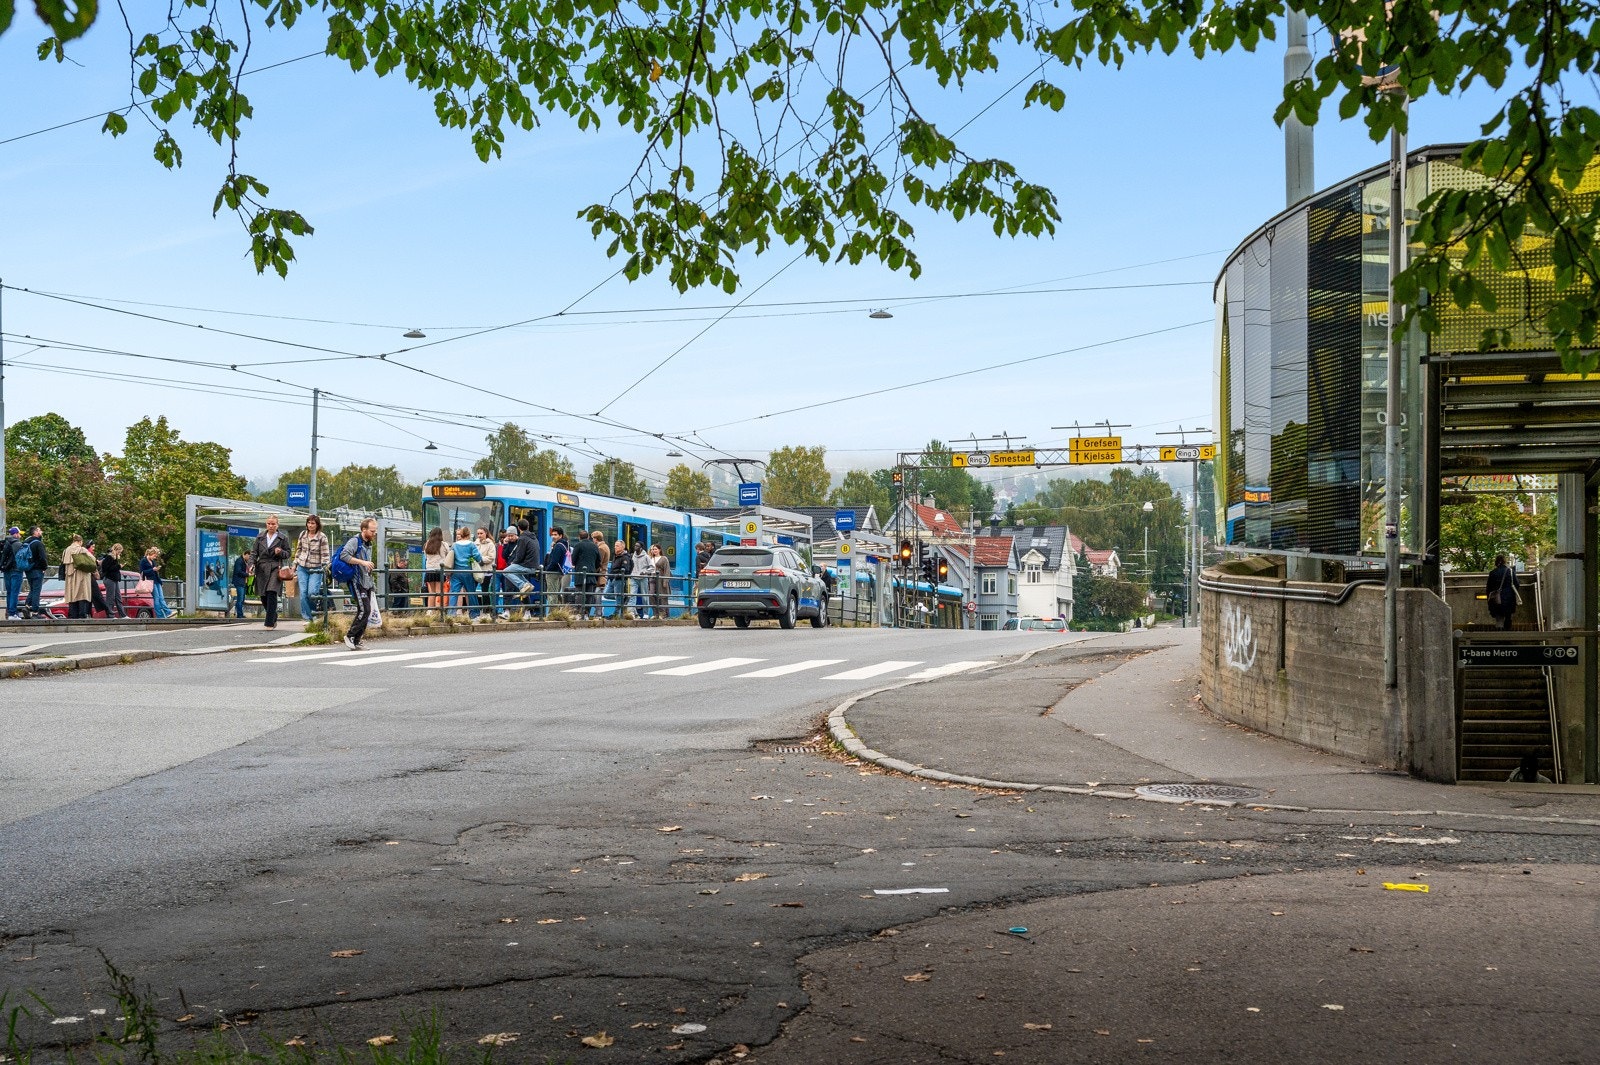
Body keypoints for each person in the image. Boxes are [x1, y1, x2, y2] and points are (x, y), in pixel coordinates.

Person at [340, 517, 378, 650]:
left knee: (367, 611)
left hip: (366, 581)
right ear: (364, 530)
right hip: (357, 581)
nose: (374, 533)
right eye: (372, 531)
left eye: (375, 531)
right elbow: (344, 555)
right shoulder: (355, 541)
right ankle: (350, 635)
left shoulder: (369, 543)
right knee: (364, 609)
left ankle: (357, 639)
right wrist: (362, 562)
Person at [251, 515, 290, 628]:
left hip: (275, 567)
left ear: (277, 525)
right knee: (263, 595)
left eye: (273, 524)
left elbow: (287, 554)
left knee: (271, 592)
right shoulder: (260, 537)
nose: (271, 526)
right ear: (266, 524)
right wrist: (251, 564)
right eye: (269, 523)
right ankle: (273, 615)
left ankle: (269, 623)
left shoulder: (282, 538)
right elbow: (254, 553)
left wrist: (280, 552)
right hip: (261, 567)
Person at [294, 514, 330, 622]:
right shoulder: (302, 535)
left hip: (316, 568)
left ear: (317, 525)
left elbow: (325, 555)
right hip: (302, 567)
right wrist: (294, 564)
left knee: (312, 593)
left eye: (313, 523)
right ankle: (308, 618)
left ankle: (314, 612)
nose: (310, 525)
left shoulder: (322, 537)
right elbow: (298, 550)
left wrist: (324, 566)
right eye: (309, 523)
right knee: (303, 593)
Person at [61, 534, 96, 619]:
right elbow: (93, 560)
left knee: (72, 595)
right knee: (82, 594)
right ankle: (82, 614)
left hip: (70, 576)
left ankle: (72, 615)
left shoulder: (66, 550)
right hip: (82, 575)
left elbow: (63, 562)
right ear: (80, 541)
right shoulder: (82, 549)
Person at [449, 525, 480, 619]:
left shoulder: (455, 545)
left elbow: (451, 557)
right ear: (469, 534)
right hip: (467, 571)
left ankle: (451, 614)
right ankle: (474, 614)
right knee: (471, 593)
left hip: (456, 572)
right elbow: (478, 557)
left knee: (454, 593)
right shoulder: (471, 545)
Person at [570, 527, 602, 618]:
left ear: (579, 537)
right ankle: (587, 613)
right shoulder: (594, 546)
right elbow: (599, 561)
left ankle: (579, 613)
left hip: (580, 573)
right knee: (589, 595)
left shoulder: (578, 545)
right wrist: (593, 568)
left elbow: (573, 559)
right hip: (591, 574)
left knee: (579, 594)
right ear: (588, 537)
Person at [1486, 554, 1520, 632]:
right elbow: (1517, 584)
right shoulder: (1510, 571)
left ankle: (1499, 632)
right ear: (1505, 561)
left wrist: (1489, 599)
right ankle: (1507, 634)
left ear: (1496, 562)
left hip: (1496, 599)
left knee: (1498, 616)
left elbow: (1489, 588)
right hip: (1509, 598)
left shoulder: (1492, 573)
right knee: (1508, 616)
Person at [543, 527, 571, 615]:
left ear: (560, 535)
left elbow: (554, 561)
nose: (553, 536)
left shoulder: (558, 546)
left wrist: (547, 569)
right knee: (556, 592)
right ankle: (558, 612)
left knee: (551, 593)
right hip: (560, 572)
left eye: (555, 535)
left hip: (553, 572)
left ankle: (552, 613)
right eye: (552, 534)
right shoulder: (565, 545)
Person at [23, 527, 49, 619]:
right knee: (37, 590)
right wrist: (44, 567)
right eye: (39, 530)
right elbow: (42, 557)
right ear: (36, 532)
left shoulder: (26, 542)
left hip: (28, 569)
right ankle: (35, 612)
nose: (41, 531)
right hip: (37, 569)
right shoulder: (38, 543)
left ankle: (27, 606)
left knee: (33, 589)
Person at [422, 527, 449, 617]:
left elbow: (426, 556)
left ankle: (430, 610)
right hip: (439, 570)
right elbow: (448, 555)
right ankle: (438, 611)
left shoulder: (427, 544)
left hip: (429, 570)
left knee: (431, 592)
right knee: (439, 591)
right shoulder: (444, 544)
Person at [140, 547, 172, 618]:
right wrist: (152, 569)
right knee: (156, 598)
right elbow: (142, 572)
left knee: (161, 597)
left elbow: (156, 573)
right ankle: (160, 615)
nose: (155, 557)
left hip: (156, 581)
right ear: (150, 554)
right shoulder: (143, 561)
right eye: (154, 555)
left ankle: (167, 612)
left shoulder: (153, 562)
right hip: (150, 582)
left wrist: (160, 582)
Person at [474, 527, 497, 619]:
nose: (479, 535)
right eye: (478, 533)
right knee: (472, 590)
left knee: (485, 590)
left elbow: (491, 557)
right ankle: (475, 609)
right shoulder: (475, 543)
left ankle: (486, 610)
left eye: (481, 533)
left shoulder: (490, 544)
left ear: (486, 533)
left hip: (486, 570)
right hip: (476, 570)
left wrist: (481, 560)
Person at [605, 539, 632, 618]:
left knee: (618, 598)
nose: (615, 547)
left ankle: (616, 615)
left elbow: (625, 569)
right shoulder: (615, 555)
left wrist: (618, 575)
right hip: (612, 578)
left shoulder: (625, 557)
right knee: (607, 595)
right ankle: (624, 597)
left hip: (619, 579)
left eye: (617, 546)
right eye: (615, 545)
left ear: (623, 547)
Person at [100, 543, 128, 619]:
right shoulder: (109, 557)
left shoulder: (114, 558)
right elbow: (106, 568)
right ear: (115, 550)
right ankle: (110, 614)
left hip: (114, 579)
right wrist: (119, 566)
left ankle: (122, 614)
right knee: (110, 597)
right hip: (110, 579)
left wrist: (118, 567)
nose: (120, 553)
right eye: (119, 552)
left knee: (118, 597)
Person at [2, 526, 23, 620]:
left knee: (9, 592)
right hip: (16, 570)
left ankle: (9, 612)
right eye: (19, 534)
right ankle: (12, 613)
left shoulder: (4, 543)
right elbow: (20, 558)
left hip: (6, 570)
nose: (20, 535)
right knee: (15, 592)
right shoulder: (17, 544)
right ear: (15, 534)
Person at [648, 543, 671, 619]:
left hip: (661, 579)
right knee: (651, 595)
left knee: (662, 596)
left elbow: (667, 570)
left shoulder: (664, 558)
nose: (654, 551)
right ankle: (655, 613)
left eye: (656, 549)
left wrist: (665, 581)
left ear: (659, 550)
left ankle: (663, 613)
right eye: (653, 549)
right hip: (652, 577)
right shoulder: (650, 558)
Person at [629, 540, 651, 618]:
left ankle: (646, 613)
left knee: (644, 596)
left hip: (643, 578)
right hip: (633, 577)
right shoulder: (632, 555)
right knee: (632, 595)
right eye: (635, 545)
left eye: (637, 546)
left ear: (641, 548)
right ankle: (631, 612)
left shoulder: (646, 556)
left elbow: (652, 567)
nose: (635, 547)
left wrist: (645, 572)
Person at [230, 551, 250, 619]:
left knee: (242, 599)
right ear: (246, 554)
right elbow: (238, 571)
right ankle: (239, 614)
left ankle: (240, 613)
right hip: (239, 582)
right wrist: (247, 574)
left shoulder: (244, 562)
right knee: (240, 599)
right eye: (249, 556)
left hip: (243, 582)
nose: (249, 558)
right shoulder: (239, 561)